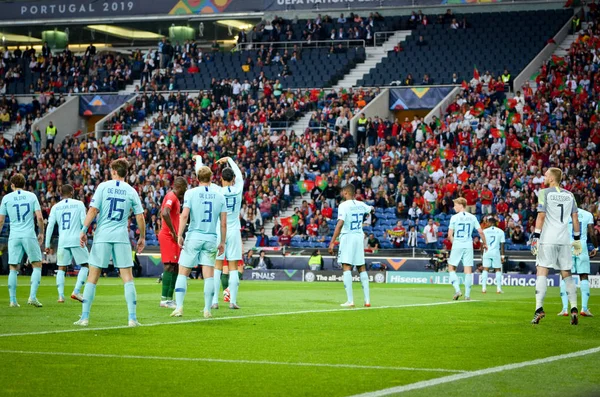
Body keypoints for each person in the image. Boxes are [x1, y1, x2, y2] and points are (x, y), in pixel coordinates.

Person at [75, 158, 146, 327]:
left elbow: (93, 210)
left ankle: (84, 318)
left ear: (114, 171)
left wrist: (84, 230)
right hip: (121, 236)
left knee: (93, 276)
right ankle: (132, 318)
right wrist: (142, 237)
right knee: (127, 277)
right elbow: (140, 216)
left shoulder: (103, 187)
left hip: (103, 236)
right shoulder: (131, 191)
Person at [170, 163, 226, 318]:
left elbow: (184, 215)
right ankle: (207, 309)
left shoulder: (191, 193)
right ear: (211, 178)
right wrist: (222, 242)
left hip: (194, 236)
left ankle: (179, 307)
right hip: (210, 238)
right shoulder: (220, 196)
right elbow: (223, 223)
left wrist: (179, 234)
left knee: (183, 272)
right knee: (208, 274)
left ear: (197, 178)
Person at [530, 168, 582, 325]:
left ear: (552, 178)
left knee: (542, 270)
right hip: (564, 239)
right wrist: (577, 239)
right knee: (567, 273)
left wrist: (536, 237)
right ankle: (573, 308)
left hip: (548, 238)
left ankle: (539, 309)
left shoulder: (544, 193)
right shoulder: (570, 195)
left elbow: (541, 215)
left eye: (546, 175)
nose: (544, 177)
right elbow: (575, 218)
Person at [0, 173, 45, 307]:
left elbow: (1, 220)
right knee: (37, 265)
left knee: (13, 267)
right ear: (24, 184)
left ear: (12, 185)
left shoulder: (6, 198)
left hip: (14, 235)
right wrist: (41, 233)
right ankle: (32, 297)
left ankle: (13, 300)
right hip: (29, 234)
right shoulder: (31, 196)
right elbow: (40, 218)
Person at [328, 184, 373, 307]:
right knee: (361, 267)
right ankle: (367, 300)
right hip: (359, 237)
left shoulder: (343, 205)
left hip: (348, 237)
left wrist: (332, 241)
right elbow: (372, 209)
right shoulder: (361, 204)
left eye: (343, 192)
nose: (342, 194)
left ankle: (350, 301)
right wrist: (366, 215)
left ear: (346, 193)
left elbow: (340, 223)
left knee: (346, 267)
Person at [45, 184, 89, 303]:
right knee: (85, 265)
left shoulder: (55, 207)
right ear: (71, 192)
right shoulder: (79, 204)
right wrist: (84, 234)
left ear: (60, 193)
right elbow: (84, 222)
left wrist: (47, 244)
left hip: (63, 240)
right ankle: (76, 291)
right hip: (76, 238)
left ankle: (61, 296)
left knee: (61, 268)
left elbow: (50, 226)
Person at [210, 156, 244, 310]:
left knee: (217, 267)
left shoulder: (217, 190)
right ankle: (233, 302)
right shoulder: (238, 188)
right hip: (234, 230)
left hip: (219, 230)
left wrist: (198, 161)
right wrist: (229, 159)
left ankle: (214, 302)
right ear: (233, 179)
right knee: (233, 267)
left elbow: (203, 175)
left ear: (221, 179)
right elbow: (239, 173)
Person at [558, 208, 597, 317]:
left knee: (565, 275)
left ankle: (565, 309)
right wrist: (596, 247)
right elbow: (592, 234)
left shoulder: (564, 214)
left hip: (567, 245)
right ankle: (584, 308)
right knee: (583, 276)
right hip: (581, 245)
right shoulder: (587, 214)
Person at [447, 197, 487, 301]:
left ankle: (457, 290)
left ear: (461, 205)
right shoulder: (472, 217)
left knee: (451, 268)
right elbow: (481, 232)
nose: (454, 207)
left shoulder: (454, 217)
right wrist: (485, 244)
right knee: (468, 270)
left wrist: (454, 243)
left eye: (455, 205)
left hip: (457, 243)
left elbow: (449, 235)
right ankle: (467, 295)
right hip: (468, 244)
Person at [157, 177, 188, 309]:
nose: (184, 192)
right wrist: (174, 233)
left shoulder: (174, 198)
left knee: (175, 266)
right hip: (168, 236)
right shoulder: (172, 196)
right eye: (184, 189)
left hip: (172, 236)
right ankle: (164, 299)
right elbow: (164, 213)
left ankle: (170, 298)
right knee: (169, 266)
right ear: (180, 187)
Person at [481, 217, 505, 294]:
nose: (487, 224)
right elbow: (502, 245)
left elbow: (482, 244)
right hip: (495, 252)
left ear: (491, 223)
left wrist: (482, 254)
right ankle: (498, 289)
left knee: (485, 269)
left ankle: (484, 288)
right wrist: (502, 256)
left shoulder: (484, 231)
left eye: (488, 222)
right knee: (497, 269)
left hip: (487, 252)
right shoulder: (500, 231)